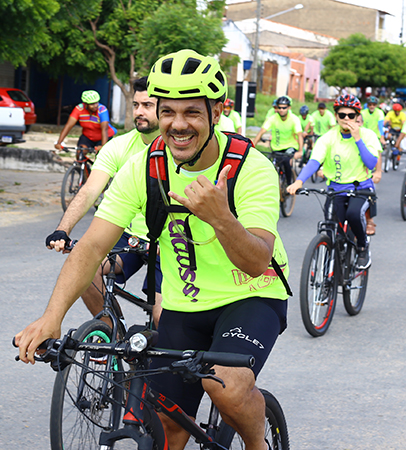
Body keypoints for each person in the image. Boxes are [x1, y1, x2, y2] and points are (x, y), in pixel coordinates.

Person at [16, 49, 290, 450]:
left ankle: (257, 444)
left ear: (216, 112)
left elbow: (256, 262)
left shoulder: (250, 167)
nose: (178, 125)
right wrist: (51, 317)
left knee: (227, 388)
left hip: (251, 295)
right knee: (166, 419)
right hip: (185, 303)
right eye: (168, 112)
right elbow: (92, 246)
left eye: (192, 113)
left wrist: (221, 217)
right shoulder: (144, 167)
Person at [45, 77, 164, 326]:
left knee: (160, 315)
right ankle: (114, 334)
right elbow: (89, 190)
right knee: (83, 269)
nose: (139, 112)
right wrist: (63, 229)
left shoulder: (176, 148)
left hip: (167, 242)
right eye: (136, 105)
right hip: (128, 235)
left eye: (147, 105)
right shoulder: (118, 146)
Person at [287, 94, 380, 269]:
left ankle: (362, 247)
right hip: (336, 189)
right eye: (342, 115)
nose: (346, 119)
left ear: (357, 117)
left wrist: (357, 138)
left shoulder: (367, 136)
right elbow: (314, 161)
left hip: (360, 189)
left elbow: (371, 163)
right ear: (336, 116)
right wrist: (299, 181)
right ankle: (335, 256)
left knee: (353, 214)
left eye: (351, 115)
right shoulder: (328, 138)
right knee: (331, 226)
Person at [253, 96, 303, 186]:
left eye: (284, 108)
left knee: (286, 161)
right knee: (269, 164)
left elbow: (299, 135)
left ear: (289, 108)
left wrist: (300, 151)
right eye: (279, 107)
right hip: (276, 147)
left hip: (290, 146)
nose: (281, 110)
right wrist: (252, 147)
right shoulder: (273, 118)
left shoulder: (294, 119)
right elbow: (261, 132)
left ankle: (289, 184)